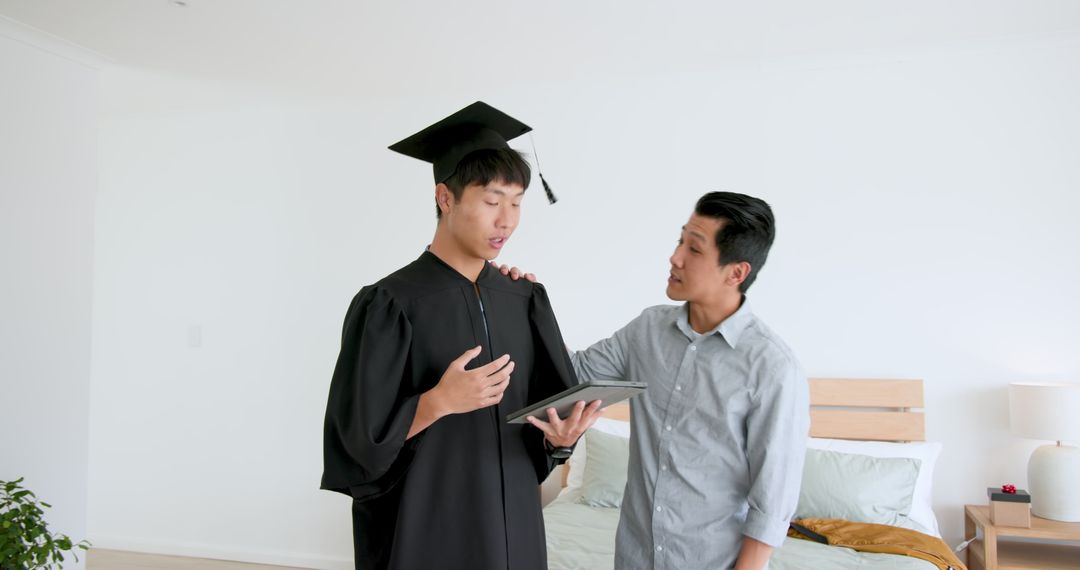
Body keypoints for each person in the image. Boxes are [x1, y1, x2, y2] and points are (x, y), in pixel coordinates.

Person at [321, 102, 601, 570]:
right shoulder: (390, 303)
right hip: (426, 524)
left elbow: (543, 420)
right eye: (492, 202)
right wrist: (437, 402)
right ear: (445, 198)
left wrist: (559, 439)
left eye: (516, 204)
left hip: (512, 522)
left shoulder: (524, 298)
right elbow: (356, 443)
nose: (506, 221)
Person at [504, 191, 809, 570]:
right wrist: (518, 304)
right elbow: (574, 373)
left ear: (736, 272)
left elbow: (773, 499)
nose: (675, 257)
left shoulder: (772, 368)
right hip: (634, 558)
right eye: (681, 239)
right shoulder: (648, 330)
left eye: (694, 249)